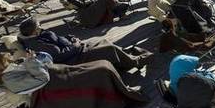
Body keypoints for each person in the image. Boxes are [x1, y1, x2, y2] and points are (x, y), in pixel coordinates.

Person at [0, 52, 148, 108]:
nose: (9, 59)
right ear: (0, 68)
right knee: (102, 70)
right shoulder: (10, 80)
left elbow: (37, 74)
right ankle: (120, 96)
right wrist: (31, 61)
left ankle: (122, 89)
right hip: (55, 87)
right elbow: (42, 79)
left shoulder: (9, 75)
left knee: (102, 65)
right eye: (6, 60)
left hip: (58, 76)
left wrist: (33, 60)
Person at [17, 17, 151, 71]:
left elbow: (58, 40)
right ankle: (137, 61)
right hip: (74, 58)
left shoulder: (38, 37)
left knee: (103, 41)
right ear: (33, 31)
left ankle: (125, 57)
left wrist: (70, 38)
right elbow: (60, 55)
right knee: (109, 49)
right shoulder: (38, 44)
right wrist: (75, 44)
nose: (41, 27)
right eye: (39, 26)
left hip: (75, 49)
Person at [54, 0, 129, 27]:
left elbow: (82, 2)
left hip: (90, 6)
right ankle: (118, 8)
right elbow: (82, 5)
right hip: (89, 10)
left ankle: (117, 6)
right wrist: (91, 0)